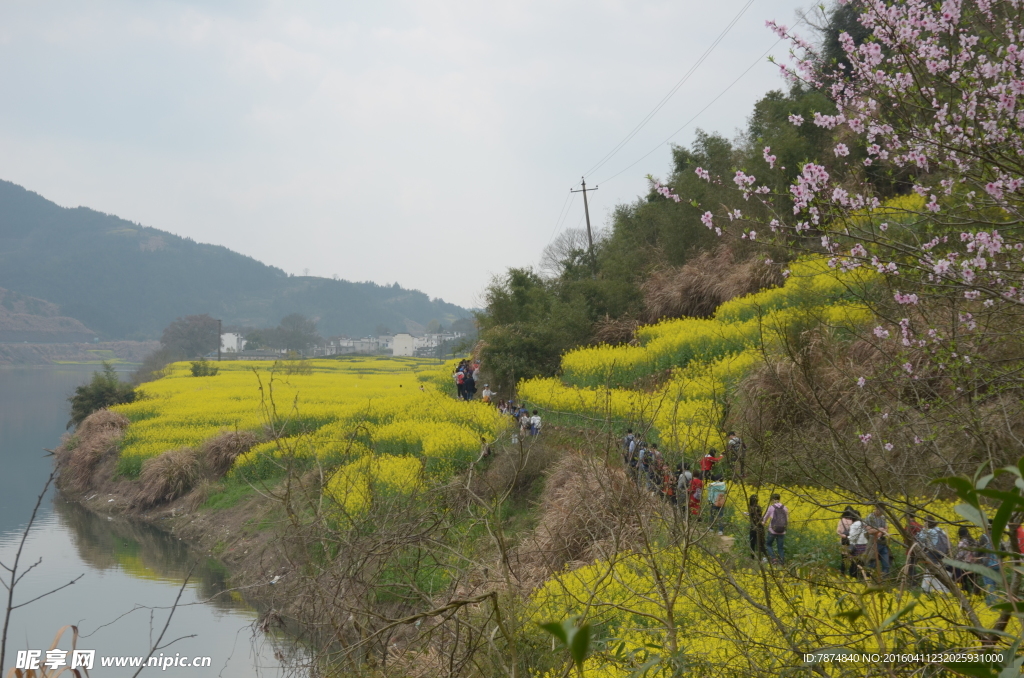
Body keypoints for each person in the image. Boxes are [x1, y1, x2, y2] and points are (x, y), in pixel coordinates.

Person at [864, 503, 891, 577]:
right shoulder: (870, 517)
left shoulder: (883, 517)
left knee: (886, 562)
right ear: (876, 509)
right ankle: (869, 578)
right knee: (872, 561)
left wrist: (882, 531)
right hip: (873, 542)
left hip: (882, 542)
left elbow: (886, 529)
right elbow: (868, 531)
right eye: (880, 510)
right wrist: (878, 530)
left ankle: (885, 578)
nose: (882, 512)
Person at [762, 493, 789, 565]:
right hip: (782, 531)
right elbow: (787, 519)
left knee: (768, 544)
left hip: (772, 530)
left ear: (772, 499)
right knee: (780, 547)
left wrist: (763, 522)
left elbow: (766, 517)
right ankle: (782, 562)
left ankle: (773, 559)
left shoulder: (771, 507)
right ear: (779, 499)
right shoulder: (785, 508)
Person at [954, 526, 978, 594]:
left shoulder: (962, 543)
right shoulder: (975, 541)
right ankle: (978, 596)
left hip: (964, 565)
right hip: (974, 565)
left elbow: (960, 555)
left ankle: (965, 595)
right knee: (974, 582)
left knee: (962, 583)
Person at [847, 511, 868, 578]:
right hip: (864, 546)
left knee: (855, 563)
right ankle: (863, 577)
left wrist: (848, 539)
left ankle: (854, 577)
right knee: (862, 563)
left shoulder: (854, 525)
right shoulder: (864, 523)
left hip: (857, 546)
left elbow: (852, 537)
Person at [837, 506, 857, 576]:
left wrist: (843, 536)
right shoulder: (854, 520)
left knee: (844, 559)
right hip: (852, 542)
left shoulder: (841, 520)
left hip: (844, 542)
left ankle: (842, 573)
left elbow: (838, 532)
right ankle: (852, 575)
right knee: (852, 559)